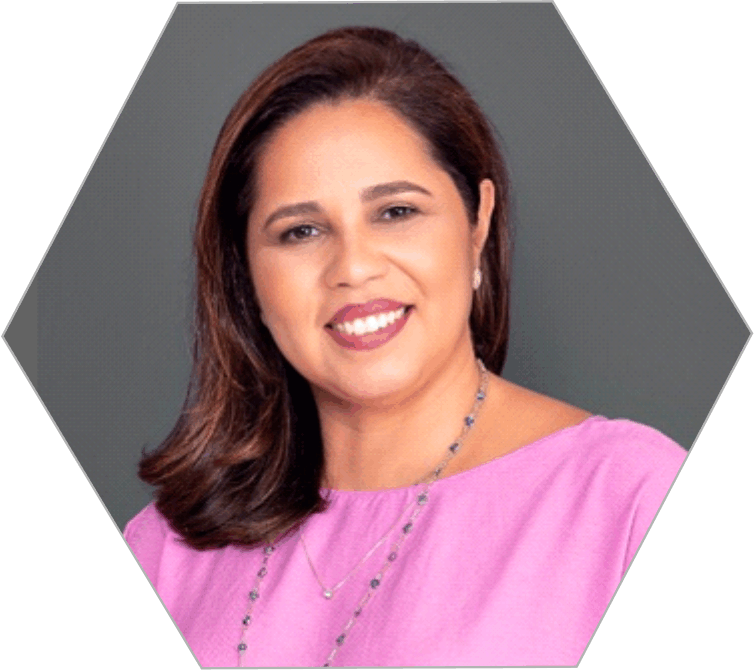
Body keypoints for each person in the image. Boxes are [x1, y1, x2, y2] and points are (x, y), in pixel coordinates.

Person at [124, 26, 687, 667]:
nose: (354, 268)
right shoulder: (166, 547)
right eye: (301, 230)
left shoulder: (628, 499)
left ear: (477, 224)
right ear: (245, 273)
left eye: (396, 212)